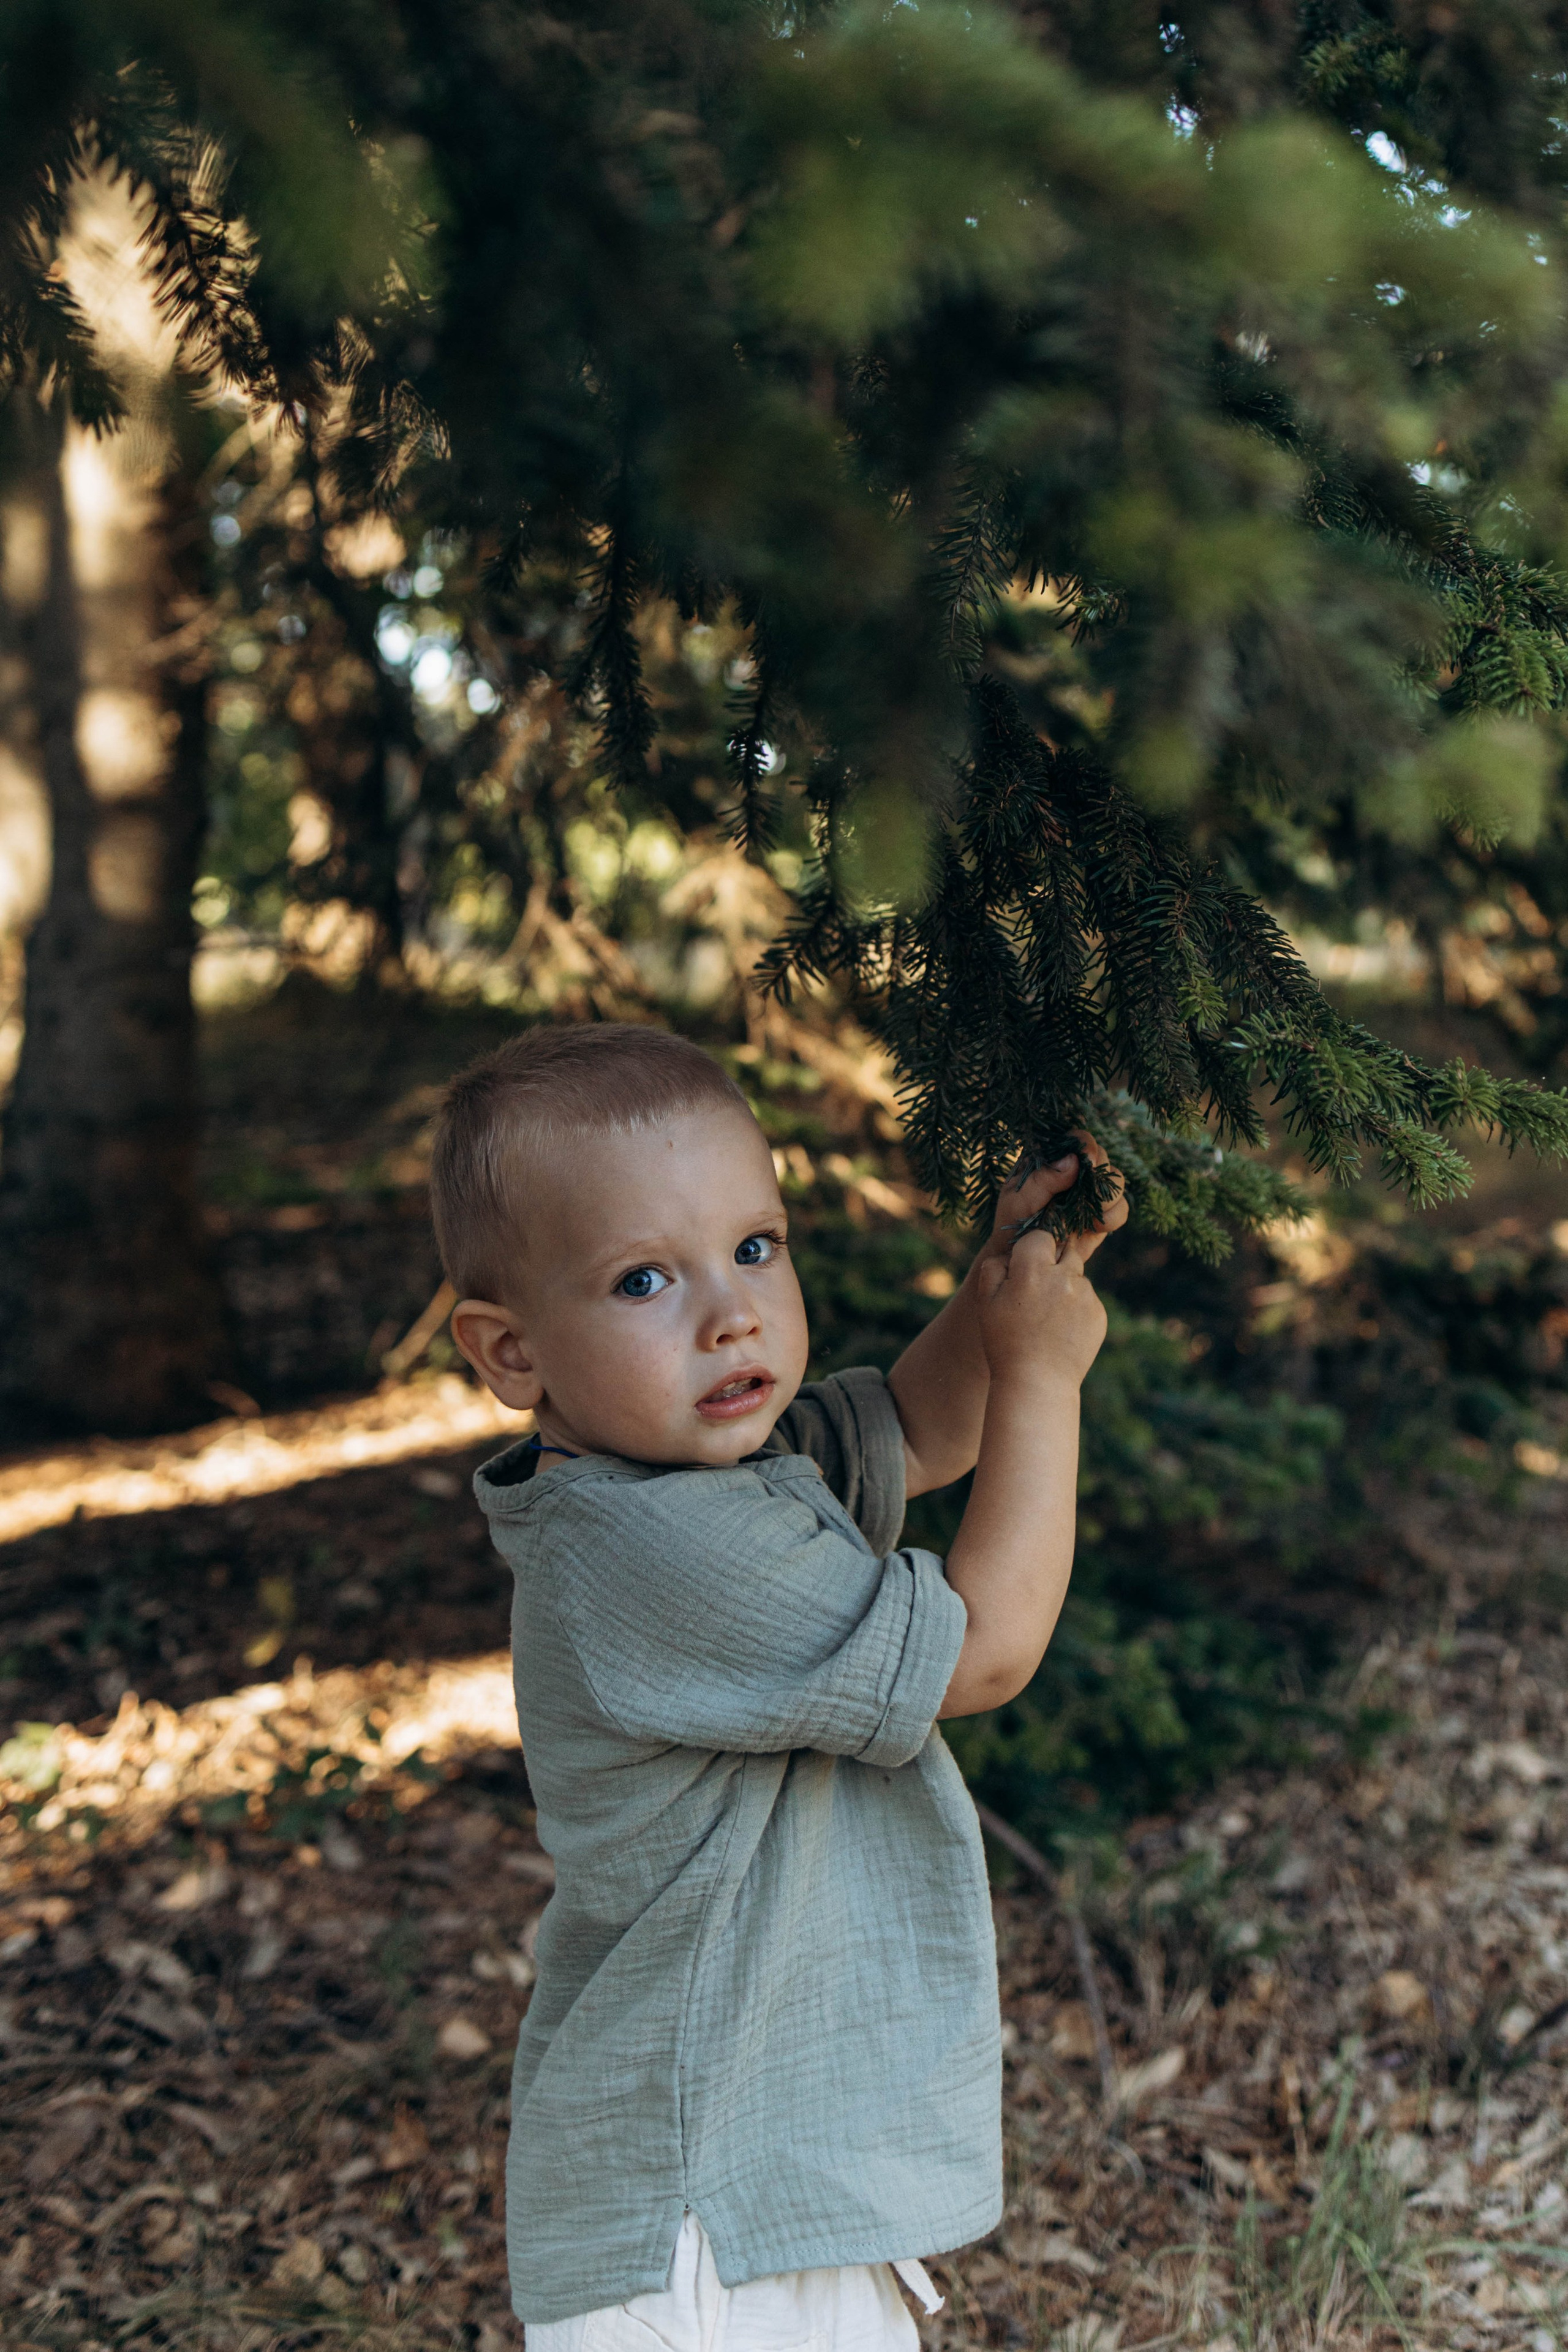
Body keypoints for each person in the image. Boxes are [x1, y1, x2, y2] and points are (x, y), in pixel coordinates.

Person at [431, 1022, 1125, 2346]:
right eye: (644, 1279)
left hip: (741, 2182)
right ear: (511, 1354)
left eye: (754, 1248)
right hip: (699, 2218)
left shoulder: (696, 1477)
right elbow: (982, 1653)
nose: (730, 1310)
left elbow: (919, 1430)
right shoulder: (656, 1547)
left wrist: (998, 1293)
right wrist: (1042, 1373)